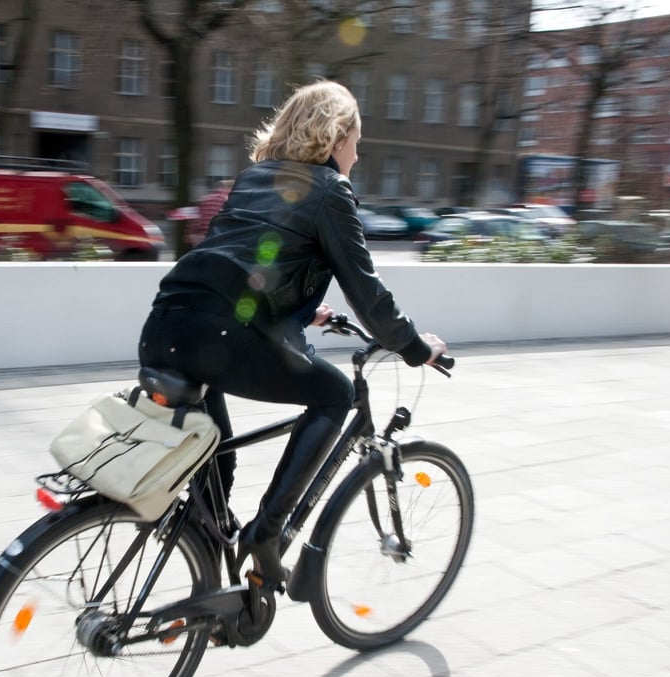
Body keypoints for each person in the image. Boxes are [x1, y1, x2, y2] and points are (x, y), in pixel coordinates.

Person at [138, 80, 447, 590]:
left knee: (217, 458)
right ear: (336, 136)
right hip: (219, 336)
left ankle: (213, 593)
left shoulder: (254, 176)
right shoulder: (330, 190)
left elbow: (250, 263)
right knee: (335, 393)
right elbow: (367, 294)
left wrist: (303, 313)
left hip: (166, 323)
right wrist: (415, 347)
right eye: (356, 138)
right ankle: (265, 533)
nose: (358, 152)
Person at [184, 179, 233, 248]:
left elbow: (196, 220)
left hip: (201, 238)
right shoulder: (228, 200)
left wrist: (188, 235)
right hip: (219, 237)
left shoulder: (204, 199)